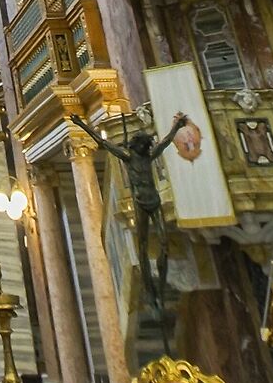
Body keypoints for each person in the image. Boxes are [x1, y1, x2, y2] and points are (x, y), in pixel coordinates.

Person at [76, 109, 189, 344]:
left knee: (164, 245)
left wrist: (177, 127)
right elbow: (103, 143)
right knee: (143, 246)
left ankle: (157, 287)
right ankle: (150, 292)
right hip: (139, 202)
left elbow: (166, 142)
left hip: (154, 200)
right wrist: (81, 125)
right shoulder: (128, 157)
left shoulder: (148, 157)